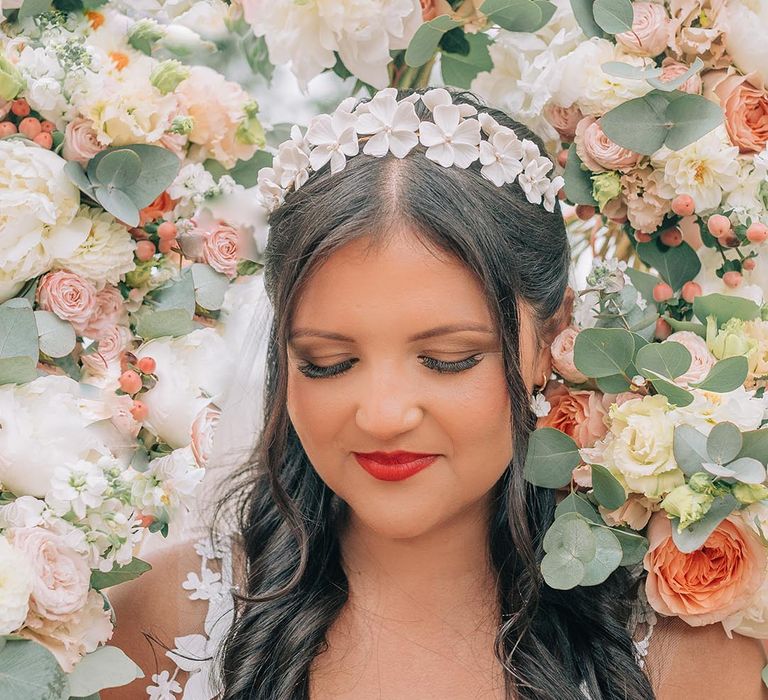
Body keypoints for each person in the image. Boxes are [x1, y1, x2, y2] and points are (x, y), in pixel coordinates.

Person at [104, 88, 768, 700]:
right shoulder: (156, 614)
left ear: (553, 336)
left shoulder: (678, 647)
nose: (385, 414)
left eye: (447, 360)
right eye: (329, 362)